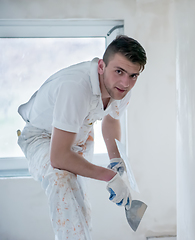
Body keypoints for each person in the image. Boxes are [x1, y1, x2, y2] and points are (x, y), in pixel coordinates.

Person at [17, 35, 147, 240]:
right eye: (119, 71)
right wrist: (109, 176)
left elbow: (111, 120)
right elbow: (58, 156)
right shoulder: (76, 87)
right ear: (102, 66)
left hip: (80, 130)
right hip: (41, 136)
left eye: (133, 75)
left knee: (79, 204)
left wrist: (115, 160)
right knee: (63, 181)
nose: (125, 82)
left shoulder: (121, 88)